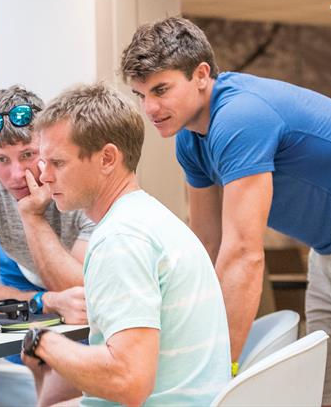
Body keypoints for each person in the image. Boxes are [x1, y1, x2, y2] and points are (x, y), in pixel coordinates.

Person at [121, 16, 331, 405]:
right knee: (328, 392)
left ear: (200, 74)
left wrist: (220, 368)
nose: (150, 107)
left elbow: (244, 254)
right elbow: (207, 245)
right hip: (328, 248)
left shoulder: (241, 117)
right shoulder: (190, 140)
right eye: (140, 94)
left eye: (161, 90)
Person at [21, 83, 230, 406]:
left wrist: (42, 341)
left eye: (58, 163)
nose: (44, 176)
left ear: (107, 158)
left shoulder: (121, 238)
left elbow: (129, 381)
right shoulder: (152, 219)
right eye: (44, 162)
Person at [0, 85, 94, 403]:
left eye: (28, 155)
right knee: (42, 364)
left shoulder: (78, 174)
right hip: (20, 268)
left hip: (88, 274)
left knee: (63, 381)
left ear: (46, 145)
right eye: (1, 158)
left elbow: (79, 294)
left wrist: (32, 217)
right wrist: (44, 301)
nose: (16, 174)